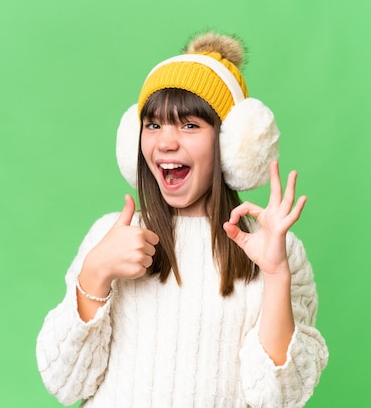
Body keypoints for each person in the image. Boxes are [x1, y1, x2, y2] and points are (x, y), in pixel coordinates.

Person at [36, 31, 328, 407]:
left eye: (190, 125)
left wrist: (275, 275)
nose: (165, 142)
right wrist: (94, 274)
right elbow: (64, 383)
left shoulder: (277, 250)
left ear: (229, 145)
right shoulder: (112, 236)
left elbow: (279, 398)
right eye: (153, 125)